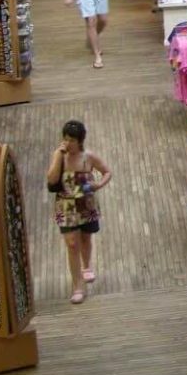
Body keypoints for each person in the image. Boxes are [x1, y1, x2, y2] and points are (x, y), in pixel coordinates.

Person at [46, 119, 110, 305]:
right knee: (72, 244)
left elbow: (107, 171)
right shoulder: (59, 156)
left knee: (85, 238)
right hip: (65, 206)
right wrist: (58, 156)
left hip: (86, 203)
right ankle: (77, 286)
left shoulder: (88, 157)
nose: (68, 143)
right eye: (66, 139)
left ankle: (87, 265)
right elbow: (51, 178)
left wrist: (98, 184)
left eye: (72, 140)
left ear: (80, 140)